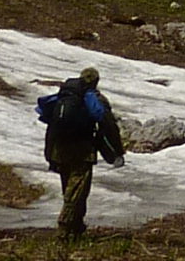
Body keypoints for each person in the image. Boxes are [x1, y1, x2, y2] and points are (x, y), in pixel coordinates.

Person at [43, 65, 124, 239]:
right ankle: (65, 227)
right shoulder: (95, 99)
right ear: (96, 81)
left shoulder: (64, 97)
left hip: (59, 148)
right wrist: (117, 152)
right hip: (82, 150)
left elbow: (52, 126)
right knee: (77, 190)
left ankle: (77, 226)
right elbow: (109, 126)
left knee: (70, 188)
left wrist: (49, 154)